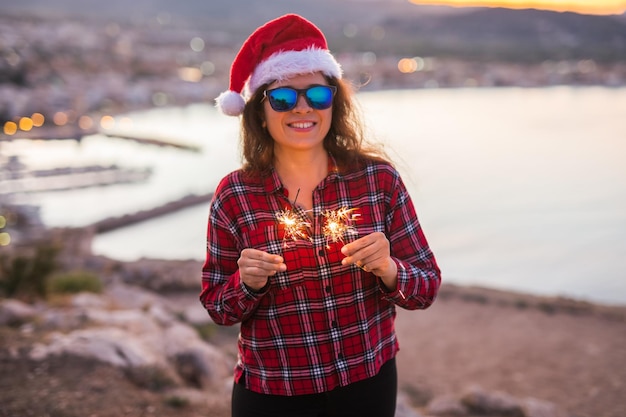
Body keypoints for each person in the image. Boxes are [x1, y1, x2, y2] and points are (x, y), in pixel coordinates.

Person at [200, 14, 441, 417]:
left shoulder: (378, 180)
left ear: (334, 101)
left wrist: (388, 268)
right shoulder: (235, 195)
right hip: (274, 394)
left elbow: (426, 287)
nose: (302, 108)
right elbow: (218, 307)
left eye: (317, 95)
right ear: (259, 111)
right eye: (282, 98)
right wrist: (246, 283)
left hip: (368, 384)